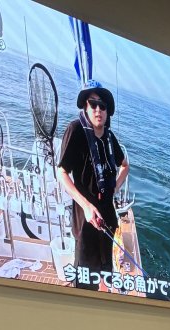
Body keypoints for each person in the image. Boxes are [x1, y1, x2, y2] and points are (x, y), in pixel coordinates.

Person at [56, 80, 130, 290]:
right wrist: (87, 206)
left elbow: (125, 166)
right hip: (86, 216)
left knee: (106, 268)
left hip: (107, 215)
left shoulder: (109, 137)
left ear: (108, 111)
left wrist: (114, 189)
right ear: (85, 107)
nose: (98, 109)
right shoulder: (76, 130)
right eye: (93, 104)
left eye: (103, 105)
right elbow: (62, 172)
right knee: (85, 276)